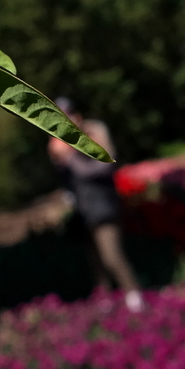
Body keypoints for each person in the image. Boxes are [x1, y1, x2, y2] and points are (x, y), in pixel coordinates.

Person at [48, 98, 144, 312]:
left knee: (111, 255)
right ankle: (105, 299)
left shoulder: (94, 132)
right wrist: (58, 160)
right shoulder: (59, 140)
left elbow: (103, 166)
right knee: (95, 260)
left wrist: (70, 156)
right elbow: (67, 181)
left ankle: (134, 296)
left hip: (102, 207)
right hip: (83, 210)